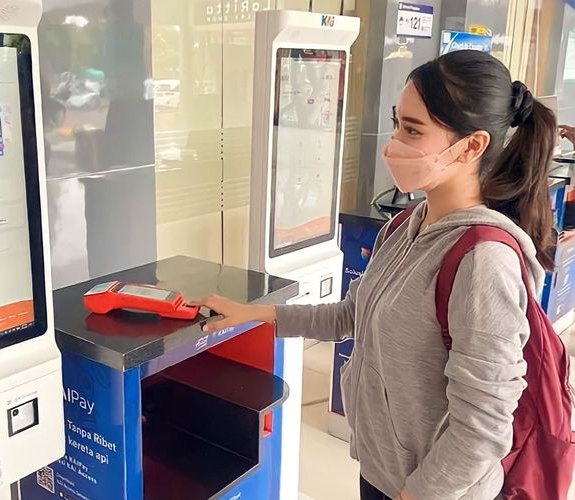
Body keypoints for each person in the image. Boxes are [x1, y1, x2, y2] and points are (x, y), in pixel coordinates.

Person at [192, 50, 558, 500]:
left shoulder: (483, 260)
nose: (392, 144)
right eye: (397, 122)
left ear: (471, 146)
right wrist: (256, 314)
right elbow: (352, 314)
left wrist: (414, 495)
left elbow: (483, 426)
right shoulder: (405, 225)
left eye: (412, 130)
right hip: (383, 471)